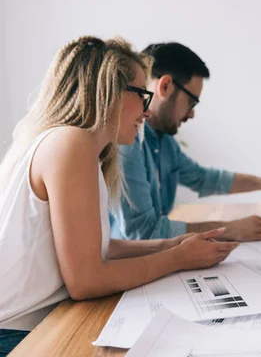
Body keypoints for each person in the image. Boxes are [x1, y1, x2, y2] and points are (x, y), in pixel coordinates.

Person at [0, 37, 239, 356]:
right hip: (18, 334)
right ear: (108, 92)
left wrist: (171, 245)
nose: (146, 108)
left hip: (41, 323)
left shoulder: (80, 149)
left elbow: (99, 248)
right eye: (142, 94)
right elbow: (85, 281)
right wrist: (178, 259)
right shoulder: (71, 144)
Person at [110, 42, 261, 243]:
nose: (192, 114)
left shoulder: (165, 143)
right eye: (191, 102)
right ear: (165, 87)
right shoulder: (127, 142)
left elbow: (202, 178)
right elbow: (142, 232)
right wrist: (228, 229)